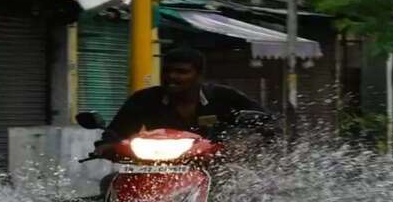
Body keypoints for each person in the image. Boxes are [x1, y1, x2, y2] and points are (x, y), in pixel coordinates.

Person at [94, 47, 267, 156]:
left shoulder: (223, 96)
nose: (171, 77)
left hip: (216, 165)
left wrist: (241, 142)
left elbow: (265, 120)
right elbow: (118, 130)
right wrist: (106, 145)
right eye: (167, 71)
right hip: (156, 167)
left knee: (235, 191)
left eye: (181, 72)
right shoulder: (144, 99)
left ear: (199, 76)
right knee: (111, 184)